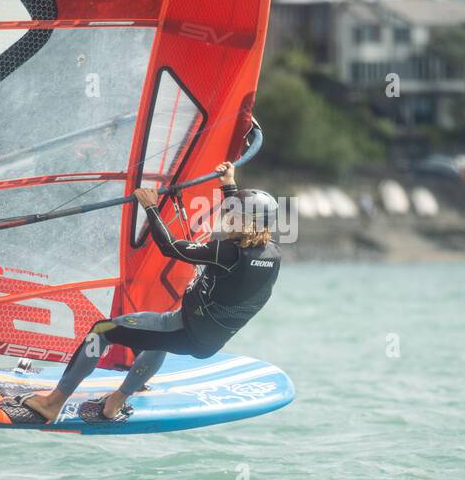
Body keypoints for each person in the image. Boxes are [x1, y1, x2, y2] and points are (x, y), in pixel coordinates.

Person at [18, 162, 281, 423]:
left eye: (231, 214)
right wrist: (229, 184)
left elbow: (170, 247)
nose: (226, 216)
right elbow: (248, 218)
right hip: (209, 339)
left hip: (185, 329)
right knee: (159, 341)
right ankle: (115, 403)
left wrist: (150, 207)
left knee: (101, 331)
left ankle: (53, 403)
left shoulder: (226, 252)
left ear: (243, 221)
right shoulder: (272, 253)